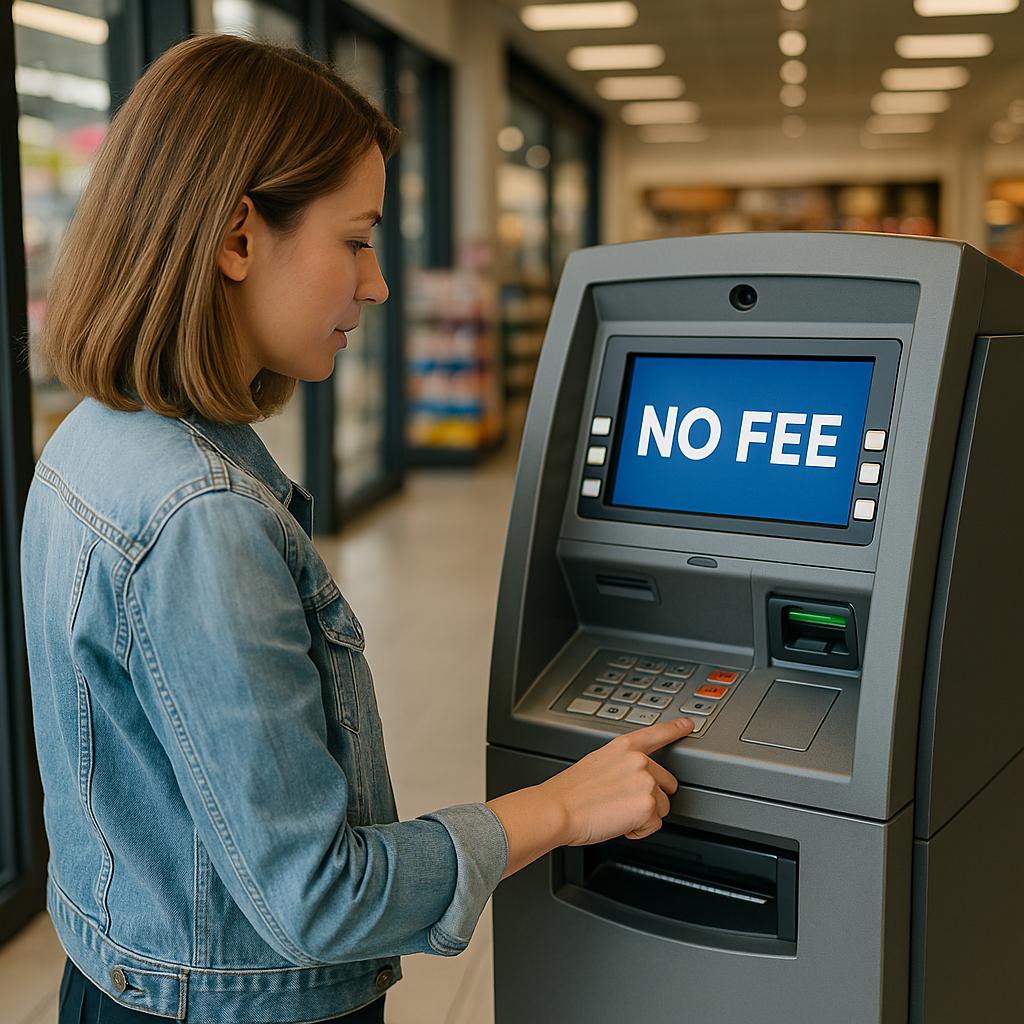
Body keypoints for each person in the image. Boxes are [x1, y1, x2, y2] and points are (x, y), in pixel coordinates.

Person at [20, 34, 693, 1024]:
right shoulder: (201, 518)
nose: (376, 283)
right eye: (357, 237)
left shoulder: (96, 436)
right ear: (238, 236)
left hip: (121, 979)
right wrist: (561, 806)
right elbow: (319, 897)